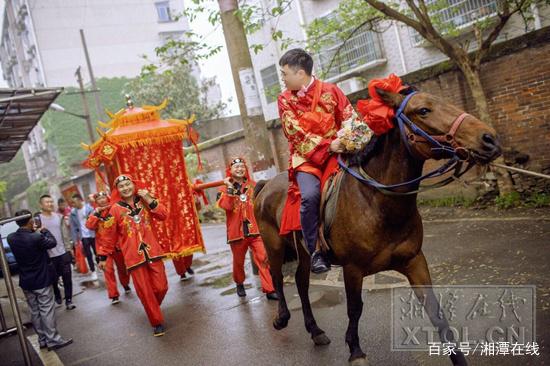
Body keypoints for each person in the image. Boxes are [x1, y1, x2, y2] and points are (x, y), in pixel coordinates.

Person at [277, 48, 356, 273]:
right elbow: (294, 132)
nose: (283, 79)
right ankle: (316, 251)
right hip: (306, 159)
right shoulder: (284, 99)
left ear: (300, 73)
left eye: (284, 74)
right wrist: (328, 145)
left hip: (335, 153)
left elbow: (351, 119)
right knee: (310, 196)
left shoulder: (332, 91)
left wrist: (348, 139)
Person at [97, 174, 169, 336]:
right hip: (133, 257)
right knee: (144, 291)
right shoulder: (114, 209)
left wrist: (149, 198)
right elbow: (108, 235)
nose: (126, 188)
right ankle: (156, 321)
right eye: (121, 186)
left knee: (161, 286)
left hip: (153, 251)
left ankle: (152, 308)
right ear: (117, 190)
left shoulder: (145, 200)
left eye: (128, 184)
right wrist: (103, 256)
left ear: (133, 185)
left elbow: (163, 215)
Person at [7, 210, 73, 351]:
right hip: (41, 280)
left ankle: (42, 340)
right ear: (30, 221)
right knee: (46, 310)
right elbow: (53, 243)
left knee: (35, 311)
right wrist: (44, 231)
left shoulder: (11, 238)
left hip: (26, 281)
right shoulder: (35, 237)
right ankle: (54, 340)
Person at [217, 157, 278, 300]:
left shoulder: (254, 186)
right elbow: (226, 206)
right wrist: (231, 189)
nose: (239, 169)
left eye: (242, 166)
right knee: (238, 262)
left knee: (263, 258)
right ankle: (239, 282)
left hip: (255, 230)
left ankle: (269, 290)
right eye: (236, 167)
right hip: (236, 233)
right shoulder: (223, 189)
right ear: (230, 171)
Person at [85, 191, 131, 305]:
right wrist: (96, 213)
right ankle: (114, 295)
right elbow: (89, 226)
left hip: (117, 245)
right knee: (108, 271)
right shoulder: (94, 213)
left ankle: (125, 284)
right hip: (103, 248)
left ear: (108, 198)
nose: (102, 200)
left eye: (103, 197)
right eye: (99, 199)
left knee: (123, 268)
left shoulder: (115, 208)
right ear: (96, 202)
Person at [39, 195, 76, 310]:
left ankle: (69, 300)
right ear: (41, 205)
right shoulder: (38, 219)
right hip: (49, 256)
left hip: (63, 252)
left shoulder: (59, 217)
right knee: (53, 279)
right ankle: (57, 293)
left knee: (67, 278)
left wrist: (69, 249)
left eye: (51, 202)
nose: (50, 204)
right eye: (47, 202)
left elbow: (65, 235)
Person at [70, 193, 97, 280]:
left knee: (97, 252)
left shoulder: (89, 208)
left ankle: (100, 264)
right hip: (83, 236)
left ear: (79, 200)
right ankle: (93, 271)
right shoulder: (73, 213)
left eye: (74, 202)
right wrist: (75, 241)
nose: (73, 204)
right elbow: (73, 228)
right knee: (88, 254)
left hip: (92, 233)